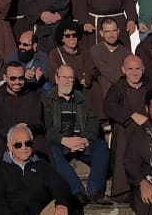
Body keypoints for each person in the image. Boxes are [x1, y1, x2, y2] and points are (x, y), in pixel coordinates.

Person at [41, 64, 110, 205]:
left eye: (70, 78)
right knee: (51, 150)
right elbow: (45, 126)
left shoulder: (81, 98)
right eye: (63, 77)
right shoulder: (46, 99)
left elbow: (93, 121)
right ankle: (76, 191)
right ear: (56, 78)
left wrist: (84, 139)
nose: (66, 81)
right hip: (60, 143)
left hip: (81, 141)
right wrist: (64, 140)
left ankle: (95, 191)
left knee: (101, 146)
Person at [103, 54, 152, 202]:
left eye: (138, 68)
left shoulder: (150, 86)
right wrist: (131, 115)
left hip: (147, 127)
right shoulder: (118, 87)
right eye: (130, 69)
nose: (134, 72)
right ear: (123, 70)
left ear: (143, 70)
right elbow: (109, 106)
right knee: (121, 132)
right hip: (126, 127)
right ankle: (122, 190)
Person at [0, 61, 46, 161]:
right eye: (13, 78)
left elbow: (39, 124)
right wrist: (13, 132)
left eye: (21, 78)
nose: (17, 82)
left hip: (28, 137)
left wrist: (25, 132)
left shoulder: (32, 96)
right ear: (5, 78)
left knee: (41, 142)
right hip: (5, 138)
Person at [83, 17, 128, 116]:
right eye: (107, 31)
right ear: (101, 33)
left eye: (113, 31)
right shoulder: (95, 50)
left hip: (122, 90)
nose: (111, 35)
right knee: (103, 80)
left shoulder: (126, 52)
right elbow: (103, 69)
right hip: (104, 90)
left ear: (118, 31)